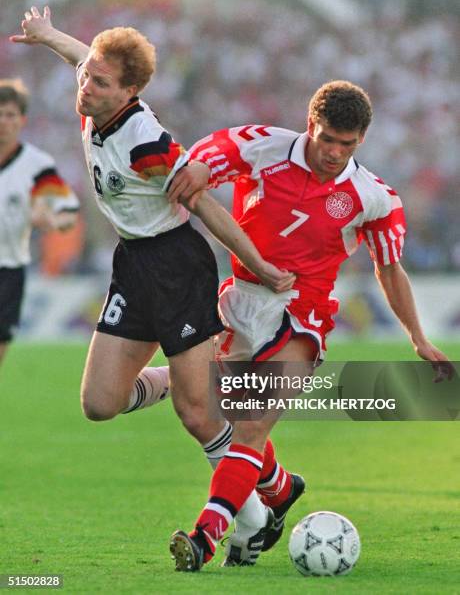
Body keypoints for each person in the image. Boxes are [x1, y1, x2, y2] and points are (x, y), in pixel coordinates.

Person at [10, 7, 300, 562]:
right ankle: (255, 458)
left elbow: (207, 206)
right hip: (133, 263)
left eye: (99, 83)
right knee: (99, 403)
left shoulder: (147, 144)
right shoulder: (96, 95)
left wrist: (258, 265)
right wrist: (49, 37)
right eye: (87, 76)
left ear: (130, 91)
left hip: (177, 266)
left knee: (197, 414)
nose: (85, 88)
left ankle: (254, 521)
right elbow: (80, 58)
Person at [166, 79, 454, 570]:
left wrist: (419, 338)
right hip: (237, 304)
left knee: (252, 425)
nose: (335, 153)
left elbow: (389, 268)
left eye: (348, 144)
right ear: (310, 126)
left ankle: (204, 537)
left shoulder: (374, 197)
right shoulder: (261, 146)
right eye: (327, 140)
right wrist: (194, 170)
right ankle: (280, 489)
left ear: (362, 139)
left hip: (303, 315)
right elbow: (201, 160)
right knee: (214, 418)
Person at [0, 78, 79, 367]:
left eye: (9, 115)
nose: (3, 122)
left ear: (22, 120)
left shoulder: (37, 165)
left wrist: (52, 221)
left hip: (8, 272)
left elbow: (68, 213)